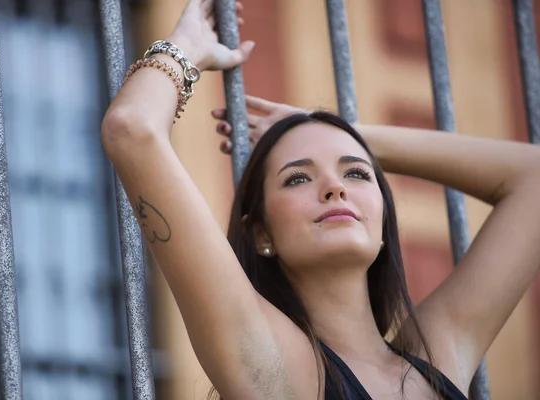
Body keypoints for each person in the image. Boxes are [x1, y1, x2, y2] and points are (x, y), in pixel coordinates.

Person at [101, 1, 540, 399]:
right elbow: (132, 128)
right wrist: (183, 47)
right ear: (261, 234)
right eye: (297, 179)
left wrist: (336, 131)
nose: (336, 187)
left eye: (355, 172)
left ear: (384, 223)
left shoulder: (437, 356)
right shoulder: (271, 362)